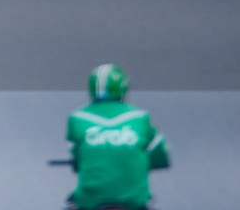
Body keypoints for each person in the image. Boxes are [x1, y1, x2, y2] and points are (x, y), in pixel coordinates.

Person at [65, 65, 168, 210]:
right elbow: (160, 157)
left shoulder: (77, 118)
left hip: (90, 202)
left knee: (70, 204)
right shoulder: (140, 117)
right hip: (134, 202)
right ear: (124, 89)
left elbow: (77, 158)